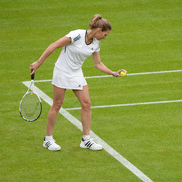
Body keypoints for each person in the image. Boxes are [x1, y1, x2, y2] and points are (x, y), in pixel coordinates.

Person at [29, 14, 126, 151]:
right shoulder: (76, 35)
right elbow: (54, 45)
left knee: (87, 103)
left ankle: (86, 140)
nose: (105, 38)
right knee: (57, 104)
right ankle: (48, 139)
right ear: (98, 30)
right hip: (62, 71)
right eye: (105, 34)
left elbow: (97, 64)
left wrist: (112, 72)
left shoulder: (95, 44)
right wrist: (38, 63)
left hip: (76, 73)